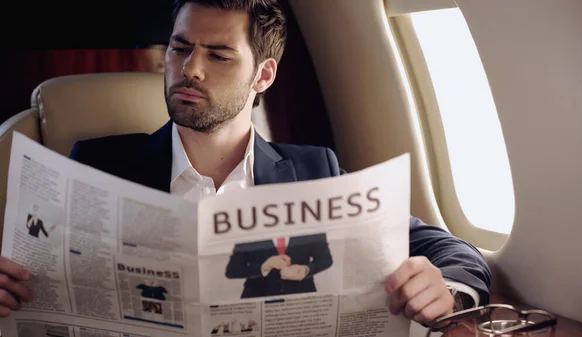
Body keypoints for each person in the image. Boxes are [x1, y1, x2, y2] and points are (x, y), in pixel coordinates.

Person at [0, 0, 491, 325]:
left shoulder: (316, 170)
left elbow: (454, 250)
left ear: (263, 75)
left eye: (218, 55)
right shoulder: (97, 163)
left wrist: (447, 289)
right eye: (180, 47)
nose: (190, 68)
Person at [225, 233, 333, 298]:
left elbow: (325, 259)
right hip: (259, 294)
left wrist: (306, 270)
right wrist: (264, 267)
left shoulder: (311, 224)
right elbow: (232, 270)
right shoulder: (248, 229)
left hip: (301, 296)